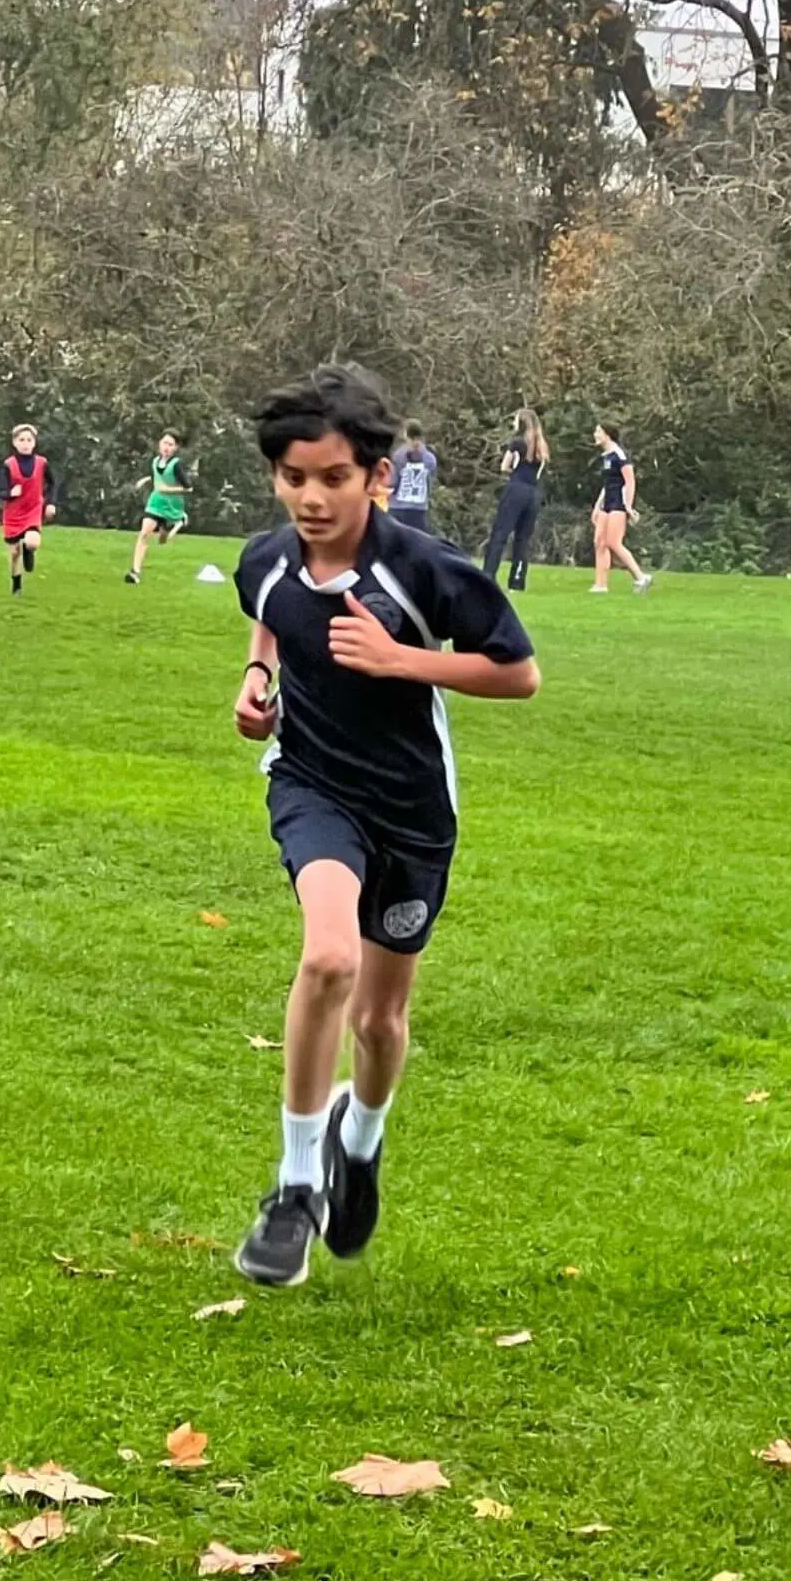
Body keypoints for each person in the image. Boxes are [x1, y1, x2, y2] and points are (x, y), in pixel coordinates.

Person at [232, 363, 541, 1288]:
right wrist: (256, 684)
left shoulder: (423, 568)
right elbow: (266, 618)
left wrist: (403, 660)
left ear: (375, 475)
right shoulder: (266, 558)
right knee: (327, 959)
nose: (312, 498)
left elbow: (517, 673)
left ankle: (357, 1146)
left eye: (332, 478)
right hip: (313, 786)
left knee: (380, 1017)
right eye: (294, 479)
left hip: (412, 810)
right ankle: (292, 1189)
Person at [482, 407, 548, 591]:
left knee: (500, 533)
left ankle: (488, 574)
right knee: (523, 538)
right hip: (533, 493)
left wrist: (514, 473)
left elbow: (505, 466)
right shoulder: (541, 446)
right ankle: (517, 580)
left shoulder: (517, 443)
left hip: (516, 489)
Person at [0, 422, 58, 596]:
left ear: (34, 443)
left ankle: (29, 552)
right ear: (15, 443)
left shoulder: (42, 463)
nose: (25, 443)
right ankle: (16, 585)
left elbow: (52, 484)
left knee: (32, 541)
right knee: (14, 553)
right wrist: (10, 493)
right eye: (21, 439)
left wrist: (50, 503)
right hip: (13, 513)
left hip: (33, 509)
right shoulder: (8, 465)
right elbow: (0, 490)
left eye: (29, 439)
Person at [591, 421, 653, 594]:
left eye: (598, 432)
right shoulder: (605, 456)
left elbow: (630, 481)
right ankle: (601, 585)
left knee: (613, 542)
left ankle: (641, 577)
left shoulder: (620, 455)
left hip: (618, 502)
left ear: (607, 434)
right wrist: (597, 506)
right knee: (599, 542)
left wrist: (628, 506)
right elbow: (608, 484)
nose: (595, 435)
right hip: (607, 502)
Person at [125, 433, 192, 583]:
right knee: (144, 534)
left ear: (175, 448)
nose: (166, 447)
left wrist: (167, 490)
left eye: (170, 445)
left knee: (163, 540)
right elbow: (157, 475)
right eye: (165, 443)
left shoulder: (176, 465)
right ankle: (135, 572)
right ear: (159, 444)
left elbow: (188, 488)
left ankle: (179, 519)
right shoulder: (155, 461)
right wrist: (145, 480)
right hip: (156, 502)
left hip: (171, 505)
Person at [390, 420, 438, 535]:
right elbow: (429, 485)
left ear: (406, 434)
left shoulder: (398, 456)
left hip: (397, 509)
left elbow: (393, 483)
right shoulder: (430, 459)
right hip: (419, 510)